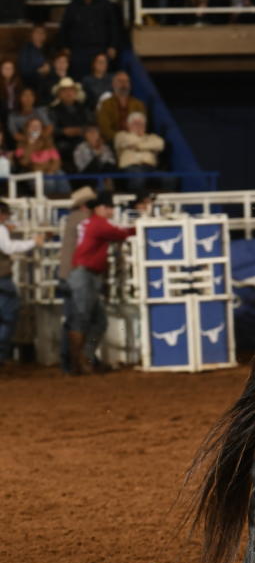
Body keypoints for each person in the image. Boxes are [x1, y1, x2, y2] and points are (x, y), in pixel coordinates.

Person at [67, 191, 135, 373]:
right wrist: (142, 227)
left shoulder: (91, 223)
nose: (111, 211)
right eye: (109, 207)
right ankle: (78, 362)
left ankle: (83, 359)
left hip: (85, 273)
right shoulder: (98, 224)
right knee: (85, 319)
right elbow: (122, 233)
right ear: (100, 208)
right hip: (85, 274)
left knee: (96, 321)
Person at [0, 201, 44, 369]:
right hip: (2, 278)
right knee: (9, 315)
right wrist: (33, 242)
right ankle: (1, 355)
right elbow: (9, 248)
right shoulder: (1, 229)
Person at [57, 186, 95, 373]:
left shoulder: (72, 219)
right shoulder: (84, 220)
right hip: (76, 275)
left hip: (66, 273)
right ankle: (79, 360)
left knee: (71, 319)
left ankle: (69, 361)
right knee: (81, 319)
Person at [60, 0, 120, 78]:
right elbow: (65, 27)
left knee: (102, 75)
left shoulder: (104, 4)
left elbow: (113, 26)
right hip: (79, 50)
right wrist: (65, 46)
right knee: (78, 75)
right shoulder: (73, 5)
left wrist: (113, 45)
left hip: (100, 48)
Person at [114, 111, 164, 190]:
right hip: (129, 168)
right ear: (128, 125)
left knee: (169, 178)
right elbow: (129, 141)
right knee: (138, 176)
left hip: (150, 168)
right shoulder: (121, 135)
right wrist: (147, 144)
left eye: (141, 123)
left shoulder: (152, 136)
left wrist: (137, 146)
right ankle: (138, 201)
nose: (138, 126)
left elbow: (160, 144)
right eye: (135, 123)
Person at [48, 77, 91, 166]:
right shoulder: (53, 110)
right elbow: (52, 129)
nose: (68, 93)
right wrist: (64, 131)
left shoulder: (83, 108)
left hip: (82, 139)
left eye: (71, 90)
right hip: (63, 142)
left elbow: (90, 124)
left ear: (75, 92)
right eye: (64, 90)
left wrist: (81, 130)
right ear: (59, 94)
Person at [97, 71, 147, 142]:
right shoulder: (106, 104)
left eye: (126, 81)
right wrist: (121, 139)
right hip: (113, 141)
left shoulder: (138, 104)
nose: (124, 84)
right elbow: (104, 128)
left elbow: (142, 125)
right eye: (120, 81)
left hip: (135, 140)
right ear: (113, 84)